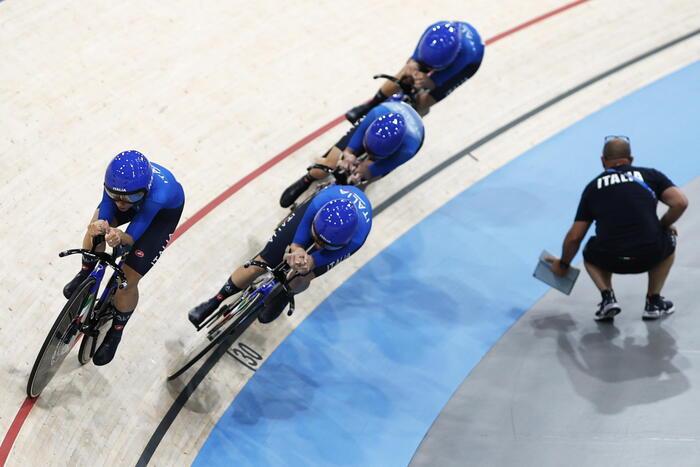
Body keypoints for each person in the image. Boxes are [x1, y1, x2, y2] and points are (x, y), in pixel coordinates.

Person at [63, 150, 185, 365]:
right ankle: (85, 273)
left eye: (130, 197)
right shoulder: (117, 189)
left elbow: (132, 236)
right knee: (95, 228)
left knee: (127, 280)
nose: (121, 203)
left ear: (144, 189)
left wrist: (121, 237)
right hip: (138, 196)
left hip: (158, 217)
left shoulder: (160, 194)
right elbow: (107, 213)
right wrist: (99, 227)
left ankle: (116, 333)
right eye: (115, 195)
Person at [189, 184, 372, 327]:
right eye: (315, 238)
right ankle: (215, 300)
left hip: (336, 238)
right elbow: (298, 240)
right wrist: (298, 248)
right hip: (317, 214)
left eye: (323, 244)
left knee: (303, 275)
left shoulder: (356, 240)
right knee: (262, 262)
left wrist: (310, 262)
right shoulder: (321, 201)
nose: (317, 244)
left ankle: (285, 294)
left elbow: (318, 261)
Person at [548, 136, 688, 321]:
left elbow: (575, 237)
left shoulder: (592, 188)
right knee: (668, 240)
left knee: (590, 249)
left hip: (612, 259)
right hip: (650, 255)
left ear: (603, 160)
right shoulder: (650, 176)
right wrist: (664, 225)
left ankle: (608, 298)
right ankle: (653, 301)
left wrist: (563, 264)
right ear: (631, 160)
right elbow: (680, 202)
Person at [279, 98, 424, 208]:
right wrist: (346, 155)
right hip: (385, 111)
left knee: (363, 178)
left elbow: (376, 169)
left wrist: (362, 174)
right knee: (332, 159)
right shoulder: (376, 113)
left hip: (409, 139)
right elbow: (349, 148)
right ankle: (309, 177)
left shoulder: (407, 150)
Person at [345, 20, 484, 123]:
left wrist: (428, 82)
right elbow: (413, 60)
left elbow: (435, 83)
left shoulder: (468, 56)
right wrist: (412, 69)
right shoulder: (433, 30)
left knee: (425, 100)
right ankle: (371, 104)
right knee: (406, 73)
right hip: (434, 53)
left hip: (467, 65)